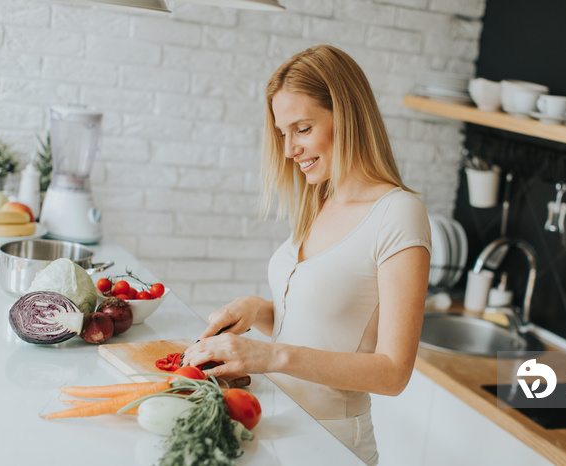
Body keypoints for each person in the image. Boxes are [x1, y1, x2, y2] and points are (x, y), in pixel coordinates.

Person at [182, 44, 431, 465]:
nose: (288, 150)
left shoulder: (398, 213)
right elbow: (323, 323)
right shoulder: (319, 201)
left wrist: (269, 356)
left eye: (302, 129)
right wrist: (259, 310)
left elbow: (393, 372)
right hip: (280, 424)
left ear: (347, 117)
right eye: (283, 133)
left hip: (332, 444)